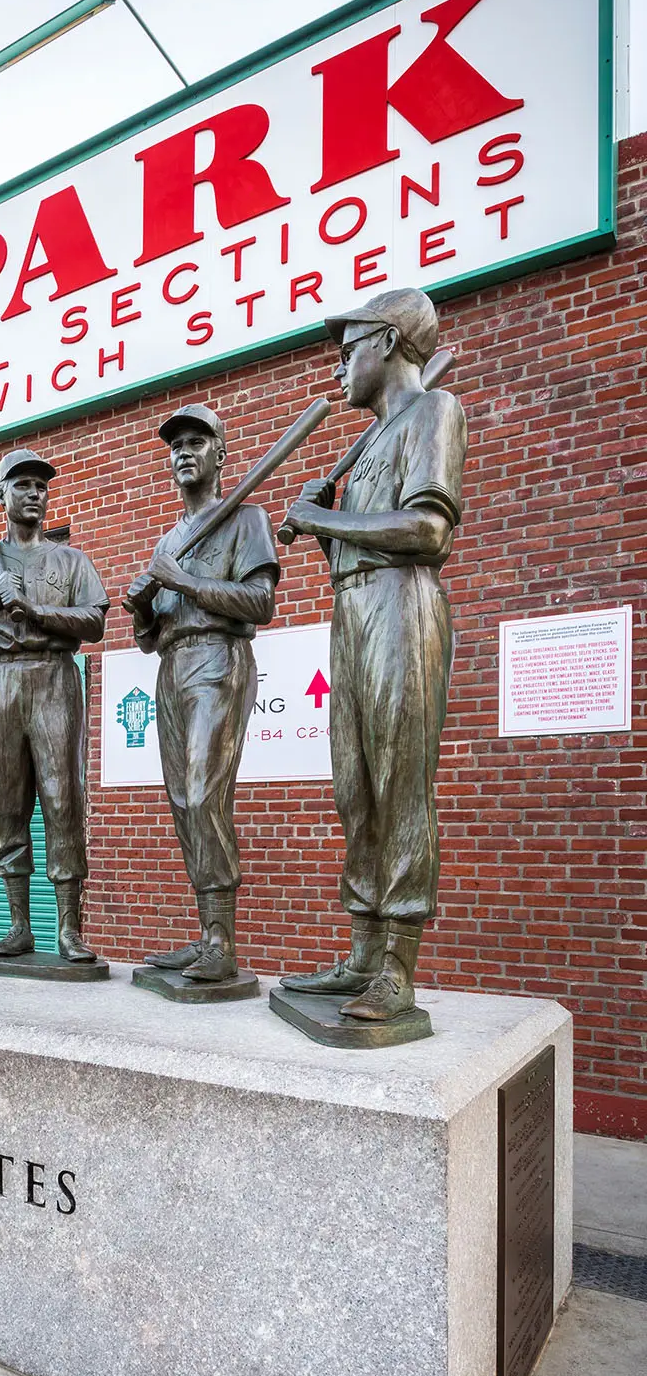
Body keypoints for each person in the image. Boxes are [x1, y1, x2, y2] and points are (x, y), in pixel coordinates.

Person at [279, 287, 467, 1020]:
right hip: (352, 606)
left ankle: (396, 964)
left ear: (388, 343)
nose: (339, 368)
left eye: (348, 348)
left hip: (401, 605)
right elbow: (361, 535)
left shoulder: (433, 413)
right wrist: (330, 522)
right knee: (354, 788)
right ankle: (361, 951)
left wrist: (325, 517)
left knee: (399, 784)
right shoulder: (371, 444)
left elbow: (428, 531)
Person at [124, 407, 278, 983]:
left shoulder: (245, 519)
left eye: (196, 442)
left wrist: (182, 580)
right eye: (176, 446)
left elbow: (259, 603)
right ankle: (205, 932)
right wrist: (144, 606)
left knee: (202, 792)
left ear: (220, 454)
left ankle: (221, 941)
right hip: (172, 665)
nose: (183, 452)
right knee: (182, 803)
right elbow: (149, 639)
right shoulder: (170, 538)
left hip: (219, 658)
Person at [0, 448, 108, 962]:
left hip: (54, 676)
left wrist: (37, 611)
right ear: (1, 496)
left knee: (63, 801)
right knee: (8, 805)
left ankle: (68, 928)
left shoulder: (70, 560)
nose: (34, 493)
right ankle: (19, 925)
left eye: (40, 485)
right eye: (22, 485)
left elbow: (95, 622)